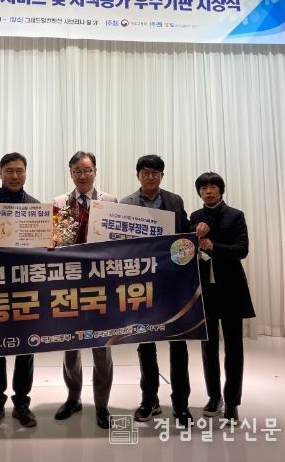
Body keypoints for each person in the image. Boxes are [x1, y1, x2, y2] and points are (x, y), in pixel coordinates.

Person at [120, 154, 193, 427]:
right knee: (145, 342)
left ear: (162, 176)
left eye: (155, 172)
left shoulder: (175, 201)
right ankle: (149, 400)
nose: (150, 177)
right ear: (137, 175)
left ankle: (181, 404)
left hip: (173, 282)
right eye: (145, 172)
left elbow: (185, 234)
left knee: (178, 342)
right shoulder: (125, 204)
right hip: (141, 283)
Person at [53, 151, 117, 429]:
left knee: (102, 346)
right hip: (68, 284)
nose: (82, 175)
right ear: (71, 173)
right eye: (77, 171)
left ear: (95, 171)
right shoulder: (58, 203)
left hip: (100, 284)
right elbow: (51, 240)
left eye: (87, 170)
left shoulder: (110, 202)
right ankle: (73, 398)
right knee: (70, 344)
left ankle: (102, 404)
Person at [191, 172, 255, 423]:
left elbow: (242, 250)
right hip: (205, 290)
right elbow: (186, 249)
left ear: (221, 190)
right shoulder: (195, 217)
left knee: (234, 347)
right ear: (199, 192)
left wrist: (213, 246)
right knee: (208, 348)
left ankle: (232, 402)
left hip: (231, 289)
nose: (208, 191)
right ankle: (214, 396)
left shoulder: (235, 215)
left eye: (213, 187)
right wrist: (195, 243)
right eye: (204, 188)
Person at [0, 152, 39, 429]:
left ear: (25, 173)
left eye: (19, 171)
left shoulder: (36, 207)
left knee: (26, 346)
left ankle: (22, 404)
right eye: (9, 171)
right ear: (0, 173)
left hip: (26, 285)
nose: (15, 176)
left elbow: (41, 249)